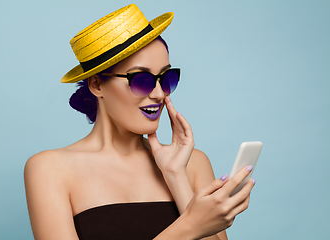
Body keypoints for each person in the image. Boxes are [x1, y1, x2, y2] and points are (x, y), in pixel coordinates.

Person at [24, 4, 255, 240]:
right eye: (142, 80)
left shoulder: (191, 164)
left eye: (166, 78)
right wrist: (189, 227)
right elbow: (191, 228)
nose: (158, 94)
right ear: (97, 85)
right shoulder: (51, 169)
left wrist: (176, 176)